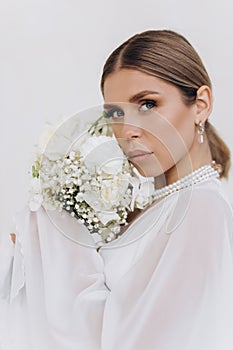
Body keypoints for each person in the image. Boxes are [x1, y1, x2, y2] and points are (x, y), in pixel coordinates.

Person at [0, 29, 233, 350]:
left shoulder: (199, 210)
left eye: (148, 104)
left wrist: (55, 233)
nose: (128, 131)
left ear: (201, 105)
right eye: (115, 114)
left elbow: (133, 341)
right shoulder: (164, 203)